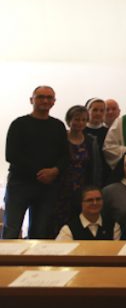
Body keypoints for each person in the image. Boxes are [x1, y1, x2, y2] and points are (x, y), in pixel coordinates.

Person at [4, 86, 69, 239]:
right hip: (20, 185)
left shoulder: (58, 126)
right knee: (11, 230)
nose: (45, 101)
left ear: (54, 102)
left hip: (47, 187)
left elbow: (65, 155)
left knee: (40, 233)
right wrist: (40, 173)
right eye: (40, 97)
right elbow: (11, 155)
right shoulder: (19, 124)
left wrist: (55, 170)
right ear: (31, 100)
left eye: (49, 97)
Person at [53, 105, 104, 237]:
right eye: (76, 119)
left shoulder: (91, 141)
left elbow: (96, 167)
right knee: (59, 223)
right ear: (69, 120)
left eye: (83, 120)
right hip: (61, 189)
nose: (80, 123)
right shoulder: (60, 138)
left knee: (79, 224)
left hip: (83, 189)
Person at [55, 186, 121, 241]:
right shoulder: (68, 230)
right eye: (90, 200)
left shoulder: (113, 226)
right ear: (80, 203)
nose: (95, 203)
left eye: (98, 199)